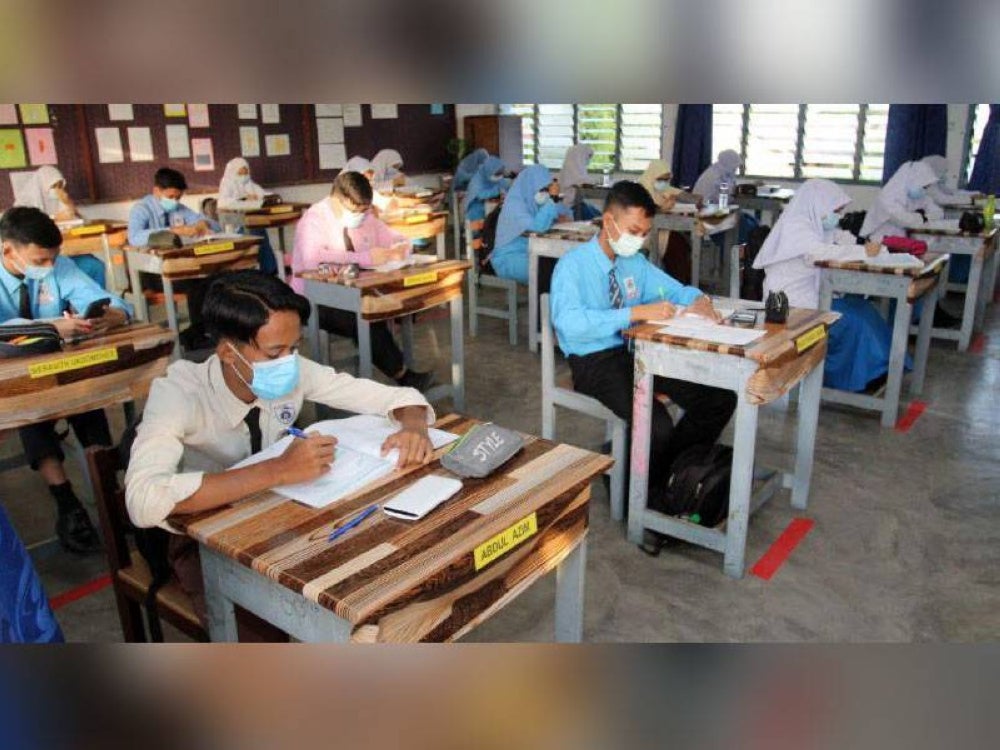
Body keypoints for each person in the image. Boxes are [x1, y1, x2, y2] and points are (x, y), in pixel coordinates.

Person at [125, 270, 435, 624]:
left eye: (294, 348)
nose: (289, 362)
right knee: (261, 627)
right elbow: (143, 498)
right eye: (275, 352)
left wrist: (413, 425)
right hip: (203, 539)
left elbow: (394, 397)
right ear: (228, 352)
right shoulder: (177, 393)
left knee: (367, 579)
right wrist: (278, 470)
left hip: (277, 514)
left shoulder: (288, 368)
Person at [549, 181, 736, 497]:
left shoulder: (632, 262)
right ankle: (634, 492)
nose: (639, 239)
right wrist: (633, 313)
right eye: (633, 231)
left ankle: (664, 476)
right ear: (609, 221)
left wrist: (698, 299)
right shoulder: (573, 266)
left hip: (637, 352)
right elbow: (569, 323)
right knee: (655, 423)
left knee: (718, 399)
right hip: (593, 361)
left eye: (644, 232)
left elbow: (673, 289)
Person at [0, 207, 133, 553]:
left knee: (87, 396)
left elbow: (98, 298)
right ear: (7, 251)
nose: (48, 268)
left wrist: (113, 315)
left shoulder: (57, 265)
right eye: (39, 260)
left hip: (61, 368)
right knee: (34, 408)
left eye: (52, 259)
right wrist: (45, 328)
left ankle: (106, 487)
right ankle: (66, 501)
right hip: (13, 381)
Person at [752, 179, 903, 392]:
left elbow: (837, 241)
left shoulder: (816, 224)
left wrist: (859, 246)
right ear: (819, 205)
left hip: (814, 294)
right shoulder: (796, 226)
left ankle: (878, 369)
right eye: (836, 211)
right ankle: (854, 378)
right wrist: (862, 252)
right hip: (791, 303)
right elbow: (818, 253)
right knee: (852, 321)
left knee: (865, 310)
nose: (838, 216)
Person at [290, 170, 434, 391]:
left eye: (365, 210)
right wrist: (364, 258)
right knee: (366, 315)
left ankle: (390, 362)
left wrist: (403, 245)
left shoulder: (365, 216)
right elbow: (312, 260)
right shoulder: (314, 219)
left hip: (356, 289)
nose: (361, 215)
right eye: (356, 210)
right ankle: (403, 376)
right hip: (314, 298)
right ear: (339, 199)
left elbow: (392, 236)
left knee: (396, 303)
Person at [127, 167, 219, 350]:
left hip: (176, 267)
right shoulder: (142, 209)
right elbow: (134, 237)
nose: (174, 201)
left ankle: (197, 332)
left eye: (178, 197)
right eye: (171, 196)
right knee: (198, 286)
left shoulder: (178, 208)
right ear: (156, 191)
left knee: (211, 280)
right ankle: (195, 335)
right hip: (150, 273)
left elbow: (214, 225)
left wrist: (203, 223)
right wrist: (172, 231)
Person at [12, 165, 105, 286]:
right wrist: (54, 219)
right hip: (41, 260)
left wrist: (70, 206)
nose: (57, 190)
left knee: (96, 266)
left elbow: (80, 222)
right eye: (53, 186)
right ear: (43, 185)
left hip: (66, 253)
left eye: (60, 186)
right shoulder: (22, 206)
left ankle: (95, 302)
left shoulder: (59, 200)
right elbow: (28, 233)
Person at [491, 164, 572, 283]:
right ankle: (542, 301)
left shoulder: (533, 202)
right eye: (542, 190)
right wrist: (552, 200)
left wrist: (560, 210)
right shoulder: (514, 206)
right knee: (552, 271)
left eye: (547, 189)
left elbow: (564, 213)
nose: (545, 193)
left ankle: (545, 300)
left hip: (531, 252)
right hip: (509, 258)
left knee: (563, 264)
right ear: (530, 187)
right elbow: (537, 228)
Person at [216, 157, 278, 275]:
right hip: (236, 225)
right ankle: (253, 272)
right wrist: (244, 198)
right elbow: (223, 203)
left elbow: (264, 195)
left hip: (253, 221)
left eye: (246, 173)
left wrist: (264, 197)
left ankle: (269, 271)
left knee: (261, 238)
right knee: (253, 240)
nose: (244, 176)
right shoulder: (227, 184)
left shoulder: (249, 184)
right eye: (240, 173)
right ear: (233, 172)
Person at [860, 160, 942, 242]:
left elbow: (938, 212)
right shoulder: (888, 196)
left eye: (926, 187)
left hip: (901, 241)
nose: (924, 190)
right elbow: (905, 220)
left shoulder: (918, 195)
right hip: (880, 242)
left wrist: (924, 217)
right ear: (913, 181)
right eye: (924, 187)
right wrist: (924, 217)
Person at [558, 144, 600, 220]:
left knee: (598, 214)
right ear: (580, 156)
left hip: (578, 204)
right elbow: (585, 181)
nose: (588, 160)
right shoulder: (573, 169)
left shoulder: (573, 167)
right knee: (597, 219)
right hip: (571, 207)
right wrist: (597, 181)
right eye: (588, 157)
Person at [462, 155, 508, 222]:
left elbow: (505, 186)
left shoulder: (497, 176)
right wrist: (497, 190)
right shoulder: (477, 179)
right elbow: (480, 195)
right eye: (497, 174)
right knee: (477, 216)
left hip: (494, 205)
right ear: (489, 171)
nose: (499, 176)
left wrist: (506, 191)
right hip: (477, 205)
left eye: (500, 173)